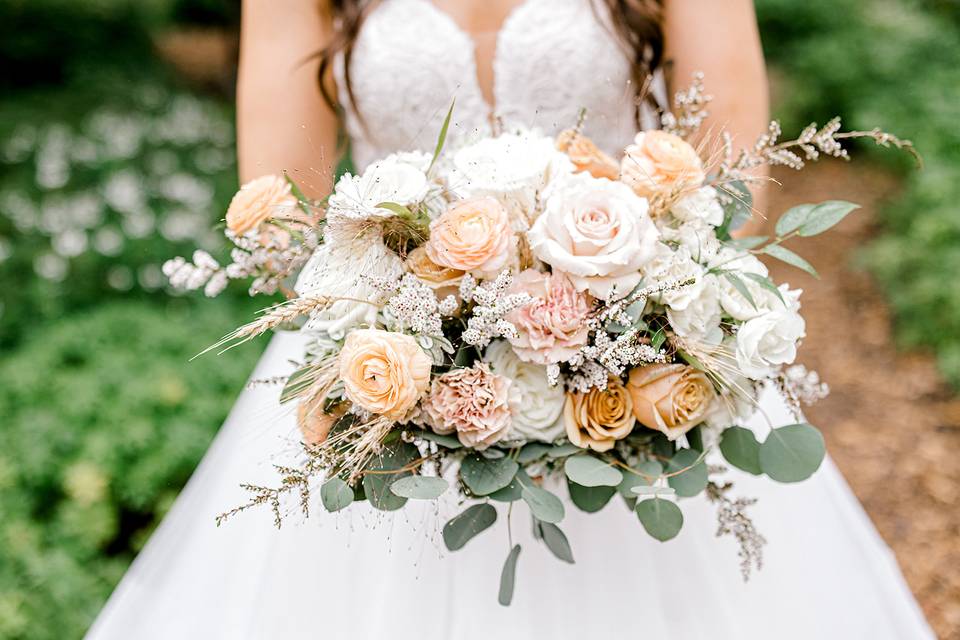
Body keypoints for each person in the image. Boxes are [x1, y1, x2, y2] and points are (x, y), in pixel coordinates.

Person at [86, 1, 934, 638]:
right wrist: (434, 329)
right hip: (388, 372)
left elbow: (729, 189)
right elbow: (281, 217)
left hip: (635, 361)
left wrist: (610, 316)